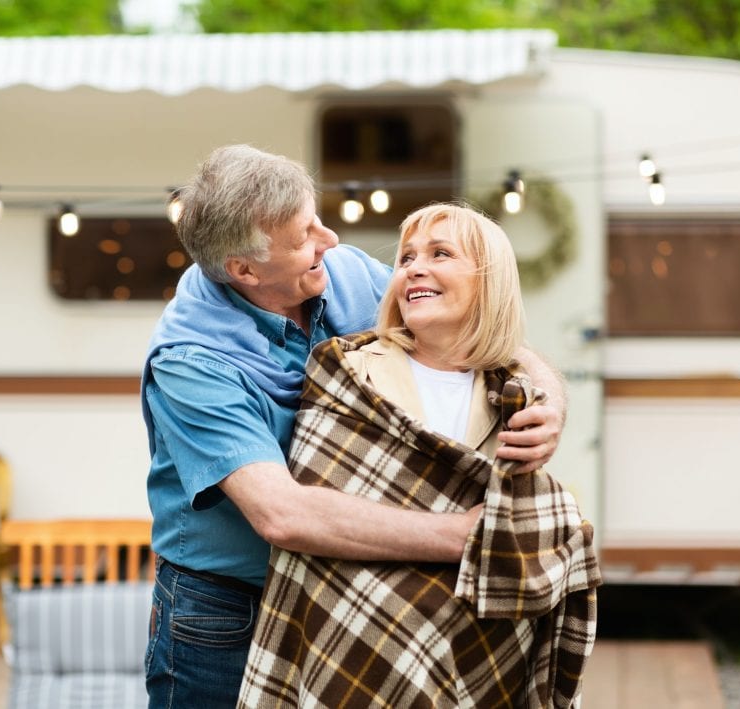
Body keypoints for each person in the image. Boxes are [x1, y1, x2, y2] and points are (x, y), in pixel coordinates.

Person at [141, 145, 567, 708]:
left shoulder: (341, 273)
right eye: (303, 238)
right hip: (225, 612)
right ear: (244, 269)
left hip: (336, 587)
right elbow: (282, 515)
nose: (330, 241)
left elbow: (469, 323)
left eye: (317, 219)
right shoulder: (191, 363)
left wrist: (550, 398)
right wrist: (463, 535)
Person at [238, 203, 601, 708]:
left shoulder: (515, 398)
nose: (414, 267)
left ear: (488, 281)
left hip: (474, 644)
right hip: (352, 638)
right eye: (407, 257)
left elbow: (521, 519)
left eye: (440, 253)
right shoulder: (347, 372)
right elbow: (318, 505)